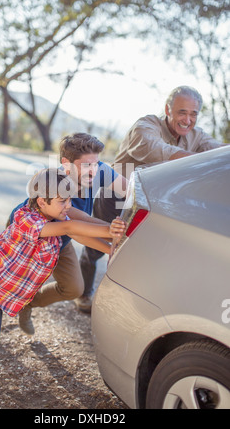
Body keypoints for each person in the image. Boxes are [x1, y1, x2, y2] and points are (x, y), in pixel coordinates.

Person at [0, 168, 126, 406]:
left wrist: (113, 245)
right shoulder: (27, 220)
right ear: (42, 201)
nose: (68, 205)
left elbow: (77, 230)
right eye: (63, 201)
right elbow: (70, 228)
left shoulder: (50, 212)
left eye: (70, 200)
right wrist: (110, 231)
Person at [79, 85, 227, 312]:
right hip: (116, 197)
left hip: (150, 204)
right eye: (182, 112)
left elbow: (219, 151)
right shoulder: (145, 126)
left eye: (193, 114)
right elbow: (160, 151)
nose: (187, 119)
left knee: (139, 253)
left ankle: (122, 308)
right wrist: (200, 161)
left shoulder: (197, 136)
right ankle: (83, 293)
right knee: (98, 248)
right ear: (168, 109)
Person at [9, 133, 128, 330]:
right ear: (67, 163)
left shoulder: (99, 170)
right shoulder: (56, 186)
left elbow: (131, 191)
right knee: (7, 286)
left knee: (74, 288)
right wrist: (113, 242)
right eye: (87, 165)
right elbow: (77, 227)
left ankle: (28, 303)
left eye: (96, 163)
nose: (93, 171)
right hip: (28, 239)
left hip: (59, 239)